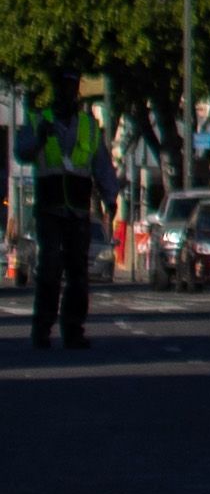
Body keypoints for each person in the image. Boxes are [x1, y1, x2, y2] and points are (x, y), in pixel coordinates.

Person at [21, 79, 119, 350]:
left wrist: (110, 197)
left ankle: (73, 329)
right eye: (61, 89)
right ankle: (42, 330)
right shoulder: (37, 120)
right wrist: (39, 137)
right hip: (49, 209)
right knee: (50, 269)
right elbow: (22, 152)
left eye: (70, 89)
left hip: (77, 210)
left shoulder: (87, 126)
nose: (66, 95)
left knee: (78, 273)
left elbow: (102, 165)